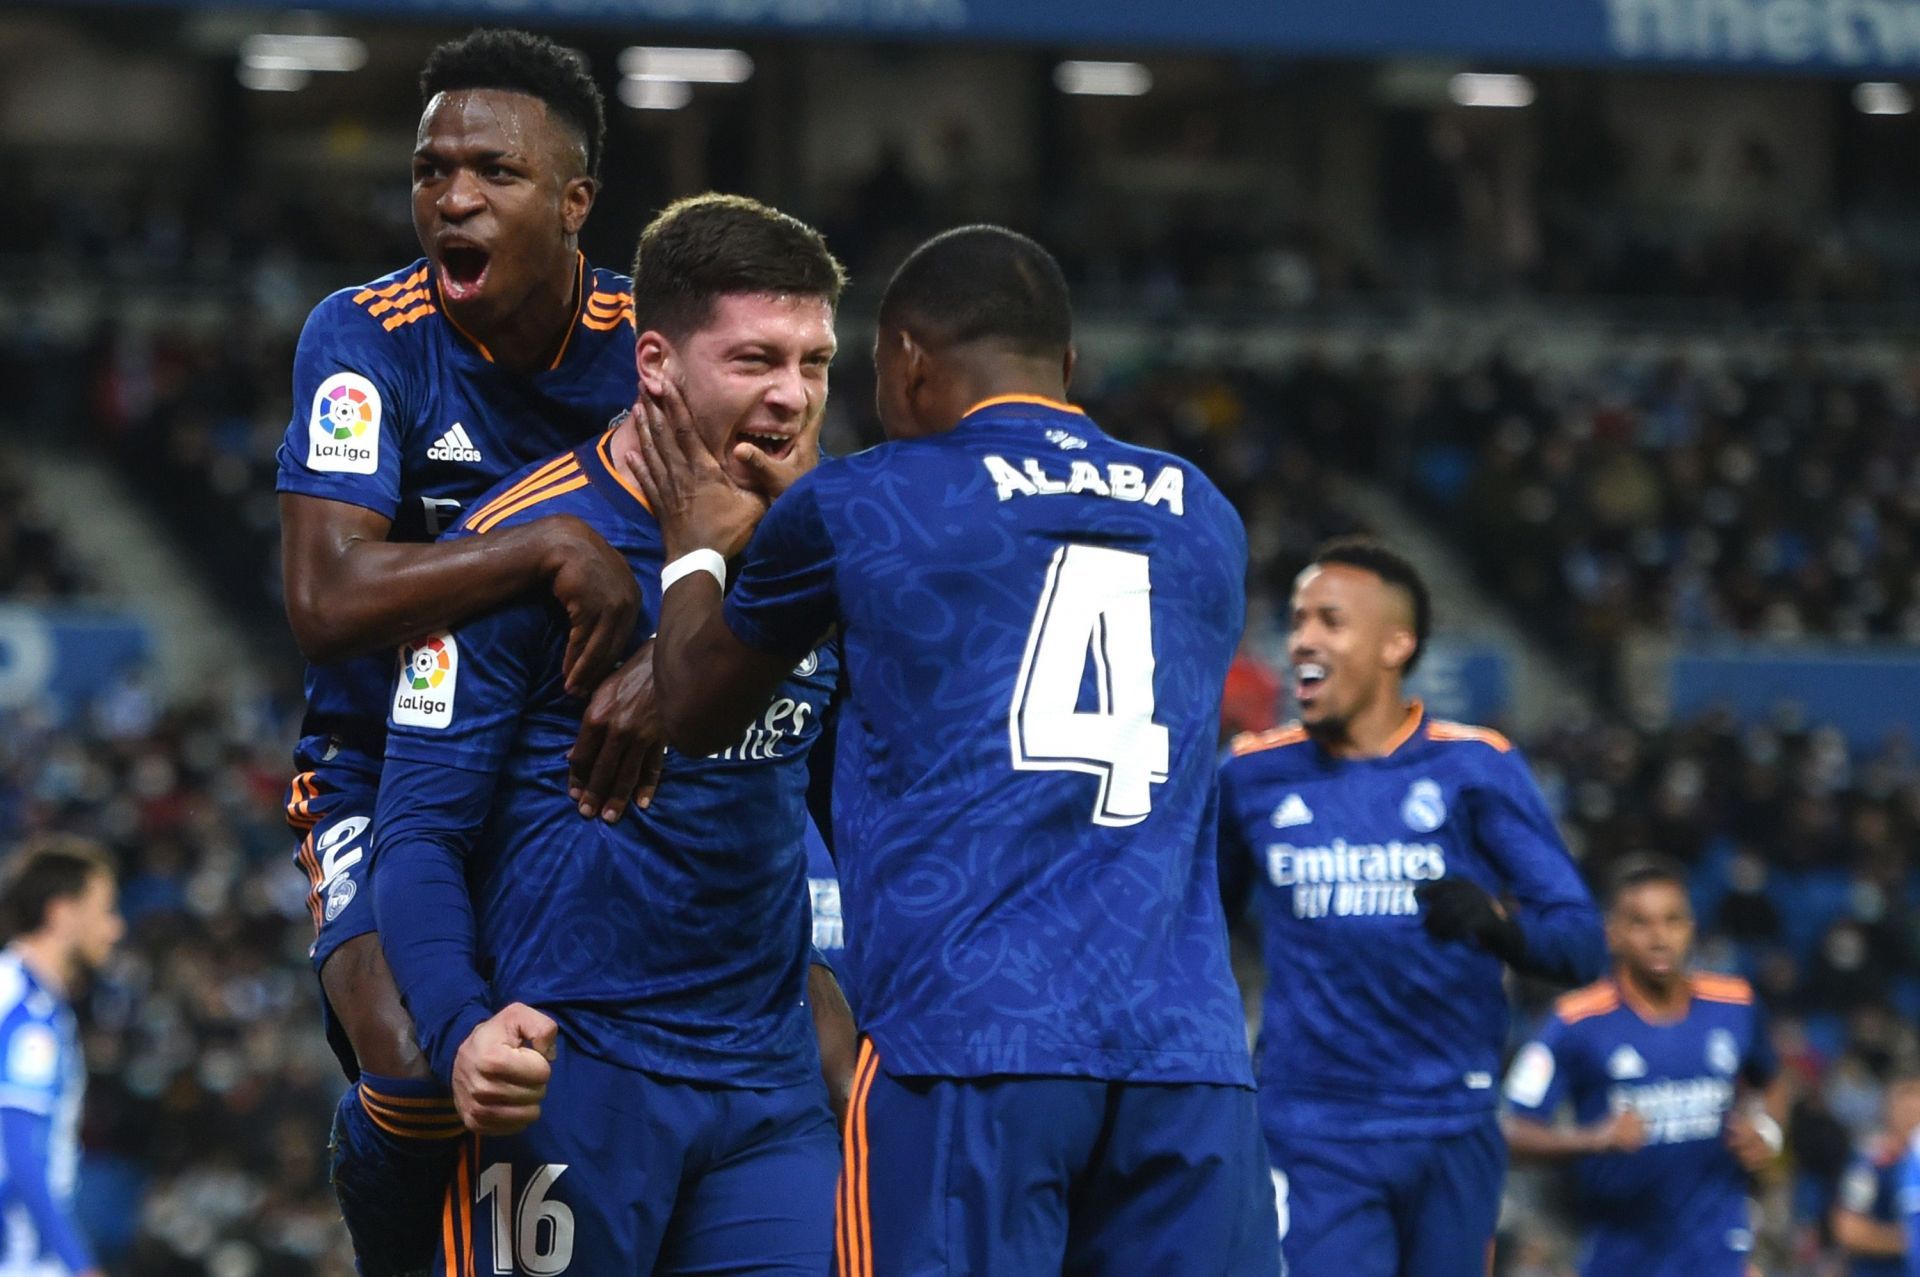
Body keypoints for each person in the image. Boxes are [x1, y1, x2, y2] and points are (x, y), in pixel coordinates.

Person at [630, 224, 1279, 1275]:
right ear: (1065, 366)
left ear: (906, 360)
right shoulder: (1206, 512)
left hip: (968, 1042)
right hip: (1187, 1054)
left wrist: (695, 543)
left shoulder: (861, 500)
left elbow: (696, 705)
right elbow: (1010, 571)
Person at [372, 194, 850, 1274]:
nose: (792, 394)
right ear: (654, 363)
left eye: (815, 362)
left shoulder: (831, 546)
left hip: (767, 1095)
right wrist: (460, 1028)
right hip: (572, 1078)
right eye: (757, 358)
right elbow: (419, 834)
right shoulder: (516, 548)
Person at [273, 30, 659, 1274]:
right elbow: (326, 594)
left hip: (585, 773)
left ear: (575, 200)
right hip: (383, 767)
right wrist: (542, 546)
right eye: (431, 170)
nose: (452, 196)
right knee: (418, 1058)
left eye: (492, 171)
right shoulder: (366, 333)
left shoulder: (651, 345)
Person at [1217, 537, 1604, 1276]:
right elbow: (1203, 924)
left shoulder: (1473, 765)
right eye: (1297, 619)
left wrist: (1500, 929)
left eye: (1330, 620)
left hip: (1451, 1121)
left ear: (1396, 643)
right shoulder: (1250, 775)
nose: (1302, 637)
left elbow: (1580, 940)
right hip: (1312, 1124)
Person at [1504, 855, 1786, 1276]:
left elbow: (1773, 1078)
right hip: (1620, 1254)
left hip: (1718, 1248)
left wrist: (1767, 1131)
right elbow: (1510, 1132)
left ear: (1691, 928)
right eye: (1641, 923)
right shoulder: (1575, 1022)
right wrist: (1592, 1140)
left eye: (1672, 921)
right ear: (1613, 934)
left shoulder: (1735, 1003)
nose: (1660, 938)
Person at [0, 838, 124, 1277]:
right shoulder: (27, 1010)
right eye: (104, 910)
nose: (115, 927)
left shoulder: (23, 992)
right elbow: (18, 1147)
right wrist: (79, 1264)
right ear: (62, 913)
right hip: (18, 1255)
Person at [1836, 1076, 1920, 1277]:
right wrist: (1908, 1239)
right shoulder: (1871, 1166)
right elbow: (1848, 1229)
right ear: (1890, 1114)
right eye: (1907, 1112)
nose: (1914, 1120)